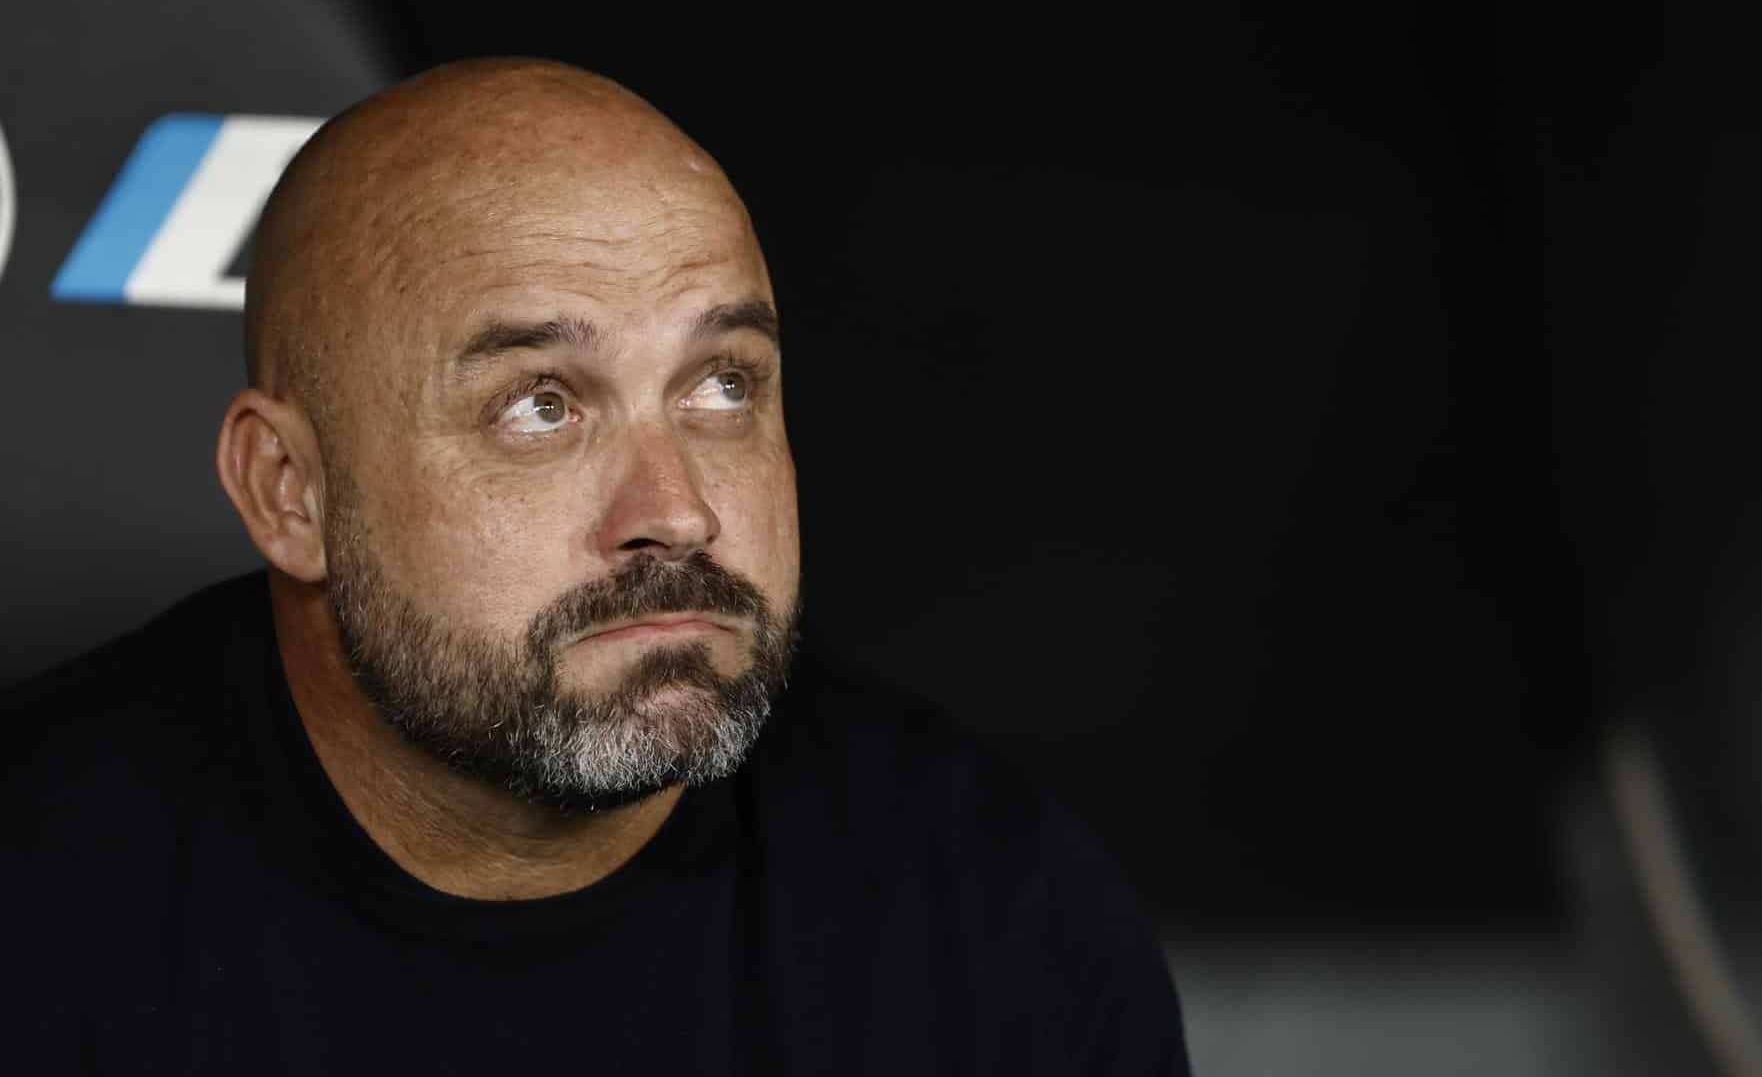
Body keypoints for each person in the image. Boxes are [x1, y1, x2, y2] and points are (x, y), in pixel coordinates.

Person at [1, 60, 1190, 1073]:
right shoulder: (41, 918)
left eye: (723, 384)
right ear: (287, 491)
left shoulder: (986, 917)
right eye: (539, 406)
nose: (675, 512)